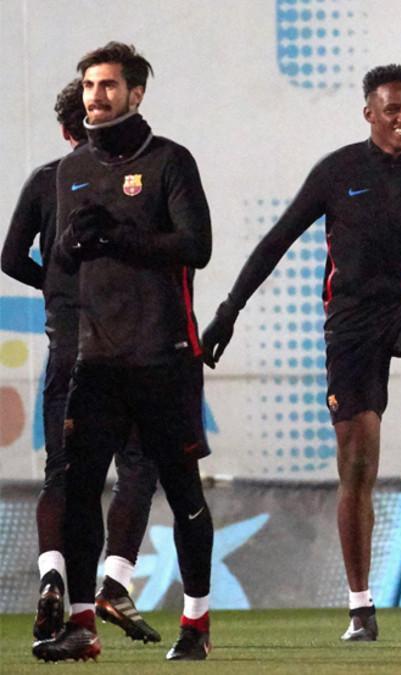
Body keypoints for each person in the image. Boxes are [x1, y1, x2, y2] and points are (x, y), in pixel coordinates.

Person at [200, 64, 401, 641]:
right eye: (392, 110)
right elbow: (276, 240)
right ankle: (361, 607)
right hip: (353, 324)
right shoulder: (338, 171)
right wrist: (229, 311)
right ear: (368, 114)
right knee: (357, 461)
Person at [31, 41, 215, 662]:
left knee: (184, 491)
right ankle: (81, 625)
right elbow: (59, 264)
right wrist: (73, 247)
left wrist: (120, 235)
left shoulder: (169, 162)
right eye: (88, 85)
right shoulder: (70, 169)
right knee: (80, 490)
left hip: (164, 357)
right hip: (97, 360)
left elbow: (197, 245)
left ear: (135, 93)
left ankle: (196, 623)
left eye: (108, 85)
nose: (96, 96)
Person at [2, 79, 159, 646]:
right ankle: (114, 580)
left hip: (67, 349)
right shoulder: (125, 177)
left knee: (64, 476)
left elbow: (9, 256)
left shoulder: (47, 180)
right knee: (139, 464)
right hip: (128, 348)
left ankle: (53, 577)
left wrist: (54, 284)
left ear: (64, 130)